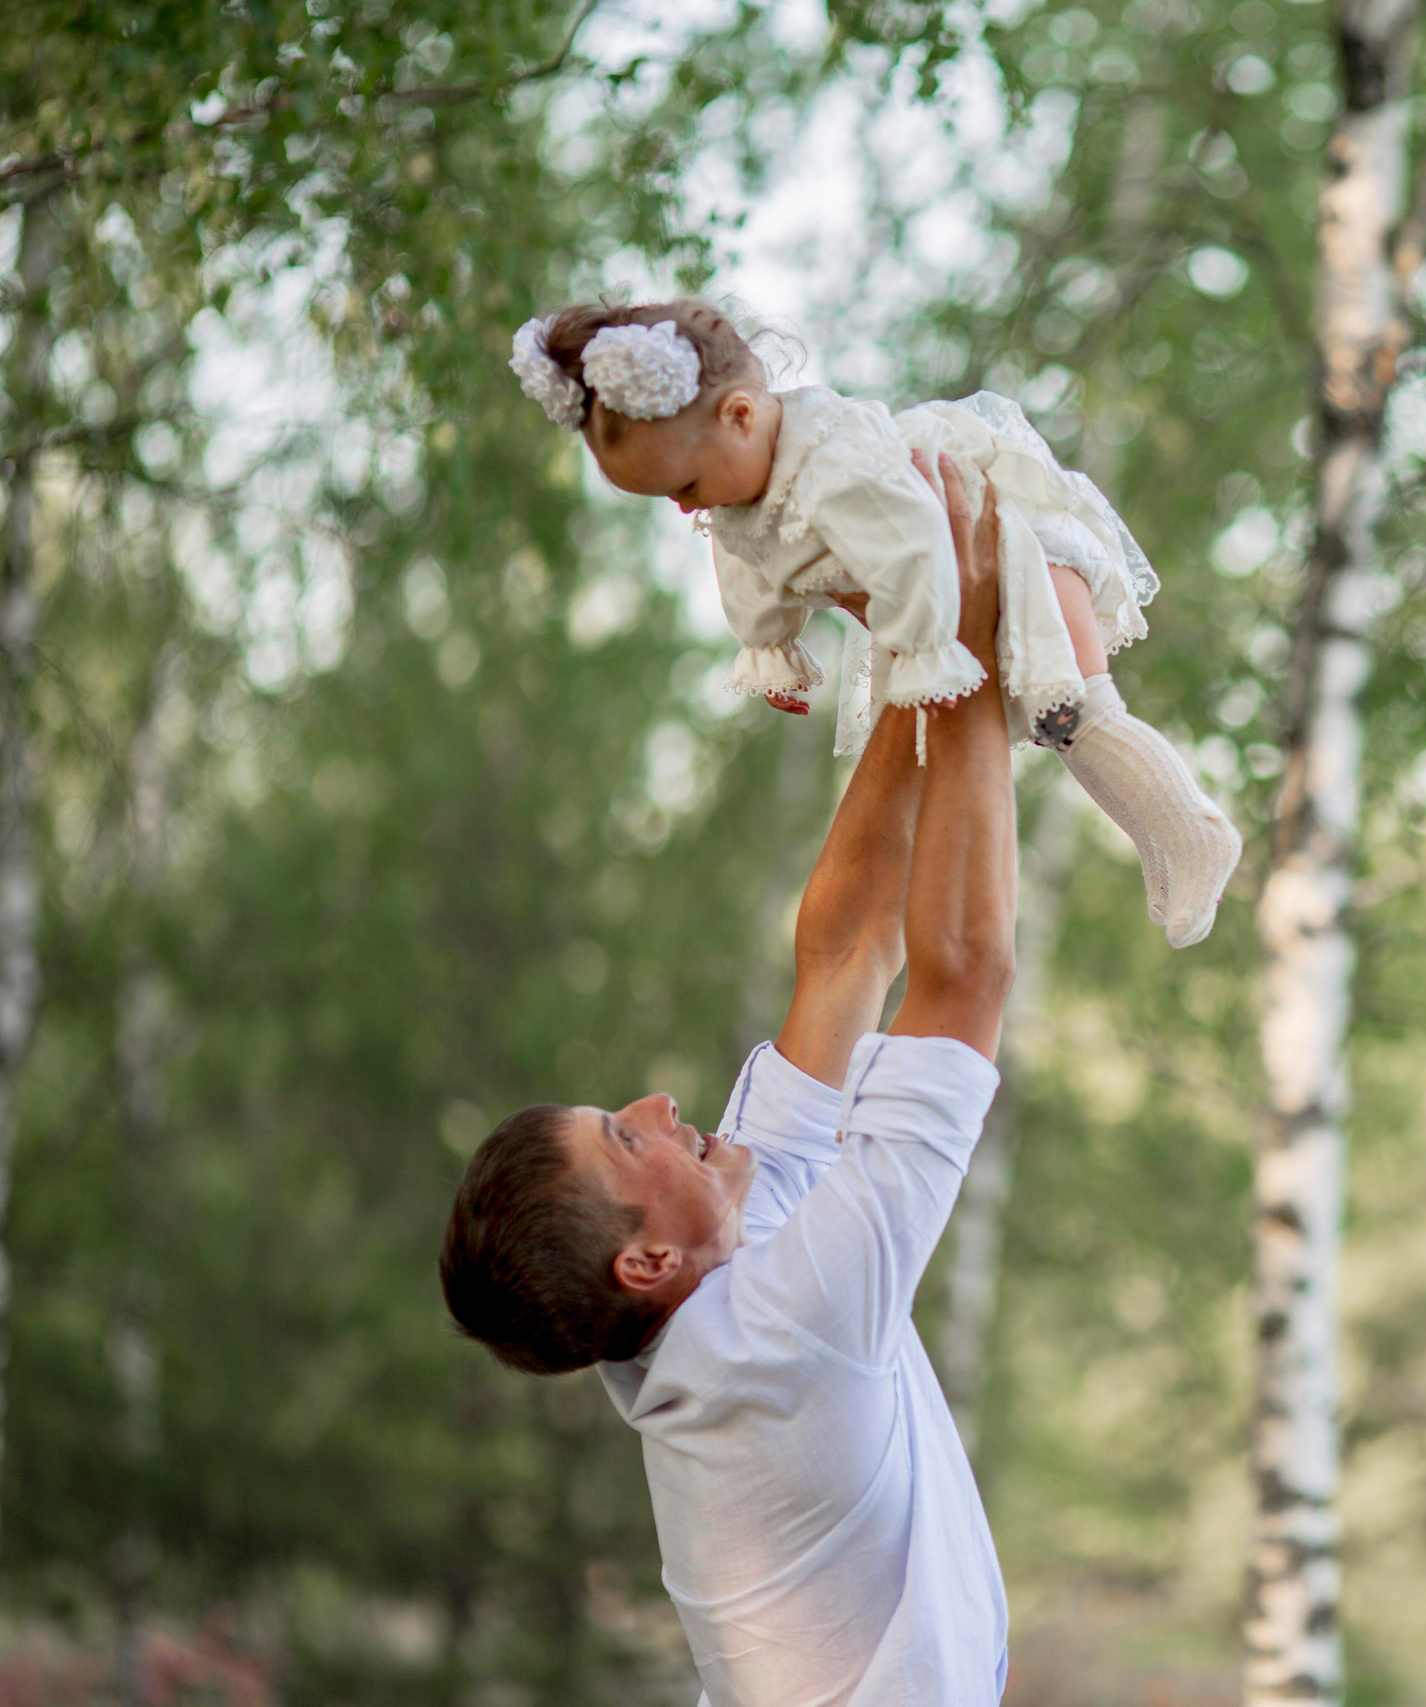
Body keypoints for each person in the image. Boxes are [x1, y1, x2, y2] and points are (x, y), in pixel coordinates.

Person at [441, 452, 1020, 1706]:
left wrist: (911, 656)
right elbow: (961, 979)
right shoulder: (776, 1340)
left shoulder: (700, 1288)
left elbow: (847, 951)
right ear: (644, 1262)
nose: (659, 1108)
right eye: (626, 1140)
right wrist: (968, 634)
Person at [508, 297, 1240, 949]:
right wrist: (770, 645)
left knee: (1079, 709)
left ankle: (1194, 833)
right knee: (1047, 733)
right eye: (667, 495)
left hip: (1011, 541)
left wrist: (925, 648)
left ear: (740, 414)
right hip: (938, 597)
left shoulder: (835, 461)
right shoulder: (737, 495)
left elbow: (915, 542)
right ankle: (1162, 839)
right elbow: (745, 566)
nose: (685, 507)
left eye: (687, 486)